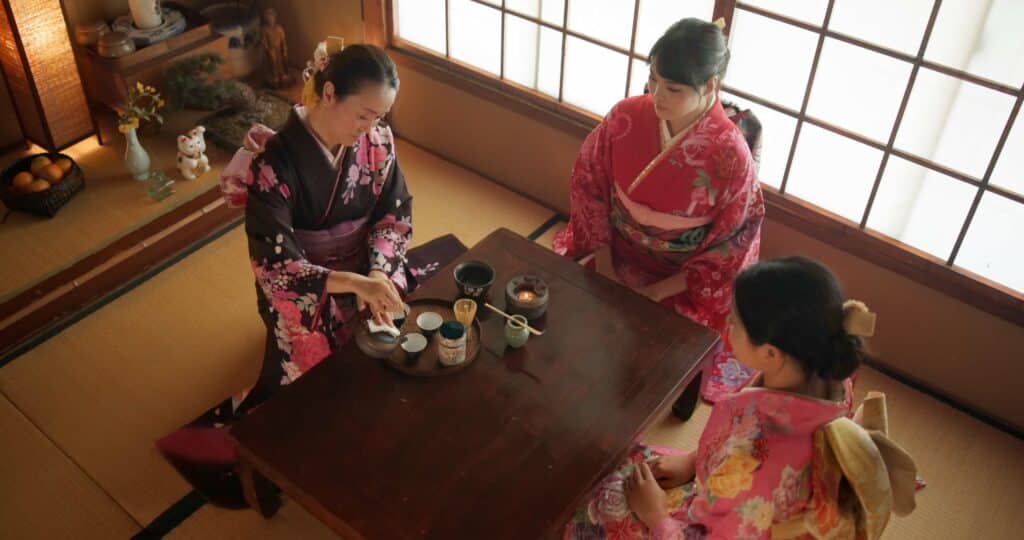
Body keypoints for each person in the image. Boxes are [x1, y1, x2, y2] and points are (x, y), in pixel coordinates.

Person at [157, 44, 418, 507]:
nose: (372, 128)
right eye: (364, 115)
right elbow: (275, 265)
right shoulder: (272, 162)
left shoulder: (377, 144)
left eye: (381, 117)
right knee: (317, 377)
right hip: (302, 283)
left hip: (363, 265)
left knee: (398, 333)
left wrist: (377, 272)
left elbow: (392, 216)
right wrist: (357, 285)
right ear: (330, 92)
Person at [565, 257, 873, 539]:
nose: (727, 324)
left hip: (735, 514)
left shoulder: (757, 463)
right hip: (731, 491)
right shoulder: (825, 372)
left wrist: (655, 514)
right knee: (612, 460)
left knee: (582, 507)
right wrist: (692, 462)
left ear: (770, 353)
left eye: (735, 322)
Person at [553, 18, 765, 402]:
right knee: (566, 332)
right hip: (613, 250)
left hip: (679, 279)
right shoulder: (625, 117)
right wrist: (603, 260)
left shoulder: (731, 154)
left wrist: (658, 292)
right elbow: (590, 183)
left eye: (673, 88)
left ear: (710, 87)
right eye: (652, 79)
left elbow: (734, 242)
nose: (656, 95)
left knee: (648, 369)